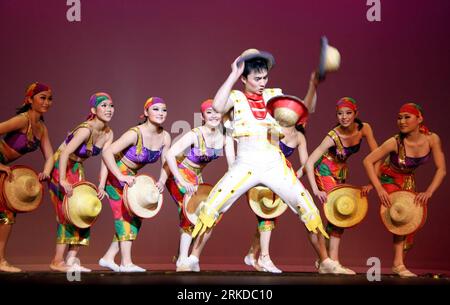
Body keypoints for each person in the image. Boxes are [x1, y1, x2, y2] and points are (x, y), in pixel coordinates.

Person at [192, 50, 329, 273]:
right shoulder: (235, 97)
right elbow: (217, 106)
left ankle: (325, 261)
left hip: (273, 162)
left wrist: (313, 85)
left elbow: (306, 110)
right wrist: (233, 74)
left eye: (265, 77)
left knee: (308, 208)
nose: (263, 83)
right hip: (245, 162)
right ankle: (192, 259)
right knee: (212, 206)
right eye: (257, 78)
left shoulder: (274, 96)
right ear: (244, 79)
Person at [244, 72, 319, 273]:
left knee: (269, 216)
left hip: (281, 177)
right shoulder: (273, 128)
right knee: (267, 215)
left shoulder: (300, 138)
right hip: (262, 173)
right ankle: (265, 258)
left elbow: (305, 164)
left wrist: (297, 180)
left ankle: (252, 254)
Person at [363, 103, 445, 277]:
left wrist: (429, 191)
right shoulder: (394, 142)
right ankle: (398, 265)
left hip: (407, 179)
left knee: (411, 224)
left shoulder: (432, 139)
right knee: (400, 214)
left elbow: (442, 169)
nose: (402, 121)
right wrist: (378, 188)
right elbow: (368, 161)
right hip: (389, 177)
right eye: (399, 117)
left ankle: (399, 263)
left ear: (420, 119)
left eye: (407, 117)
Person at [305, 97, 378, 274]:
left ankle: (325, 262)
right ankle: (333, 262)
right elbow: (310, 162)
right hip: (325, 171)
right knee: (339, 212)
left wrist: (371, 183)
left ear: (356, 114)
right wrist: (316, 189)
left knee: (338, 216)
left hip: (341, 173)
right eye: (340, 114)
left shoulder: (364, 129)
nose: (344, 117)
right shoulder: (333, 136)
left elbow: (378, 155)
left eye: (348, 113)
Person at [99, 97, 171, 272]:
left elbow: (166, 162)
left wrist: (162, 180)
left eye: (164, 110)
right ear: (146, 112)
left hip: (131, 178)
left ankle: (108, 257)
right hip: (116, 176)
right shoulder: (135, 133)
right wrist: (119, 177)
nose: (161, 113)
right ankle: (126, 263)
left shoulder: (165, 136)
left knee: (137, 218)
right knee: (124, 218)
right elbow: (107, 152)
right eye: (156, 109)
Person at [166, 99, 235, 272]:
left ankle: (190, 256)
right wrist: (181, 180)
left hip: (196, 176)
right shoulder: (195, 134)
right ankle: (182, 260)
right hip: (180, 173)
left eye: (216, 112)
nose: (213, 116)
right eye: (209, 112)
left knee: (206, 215)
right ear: (202, 115)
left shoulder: (226, 136)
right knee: (189, 213)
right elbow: (170, 154)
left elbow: (233, 166)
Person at [48, 92, 114, 272]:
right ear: (94, 110)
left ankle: (71, 260)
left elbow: (106, 161)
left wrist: (101, 185)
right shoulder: (86, 129)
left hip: (77, 168)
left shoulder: (108, 133)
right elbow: (64, 153)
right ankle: (57, 261)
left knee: (83, 210)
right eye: (104, 106)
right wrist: (62, 179)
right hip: (61, 166)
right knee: (67, 212)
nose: (109, 109)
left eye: (111, 106)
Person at [0, 83, 54, 272]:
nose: (46, 102)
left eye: (49, 98)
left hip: (3, 167)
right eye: (42, 97)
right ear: (29, 99)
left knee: (6, 213)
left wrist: (46, 172)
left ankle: (1, 260)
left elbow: (50, 157)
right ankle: (1, 261)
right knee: (6, 212)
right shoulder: (22, 120)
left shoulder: (41, 128)